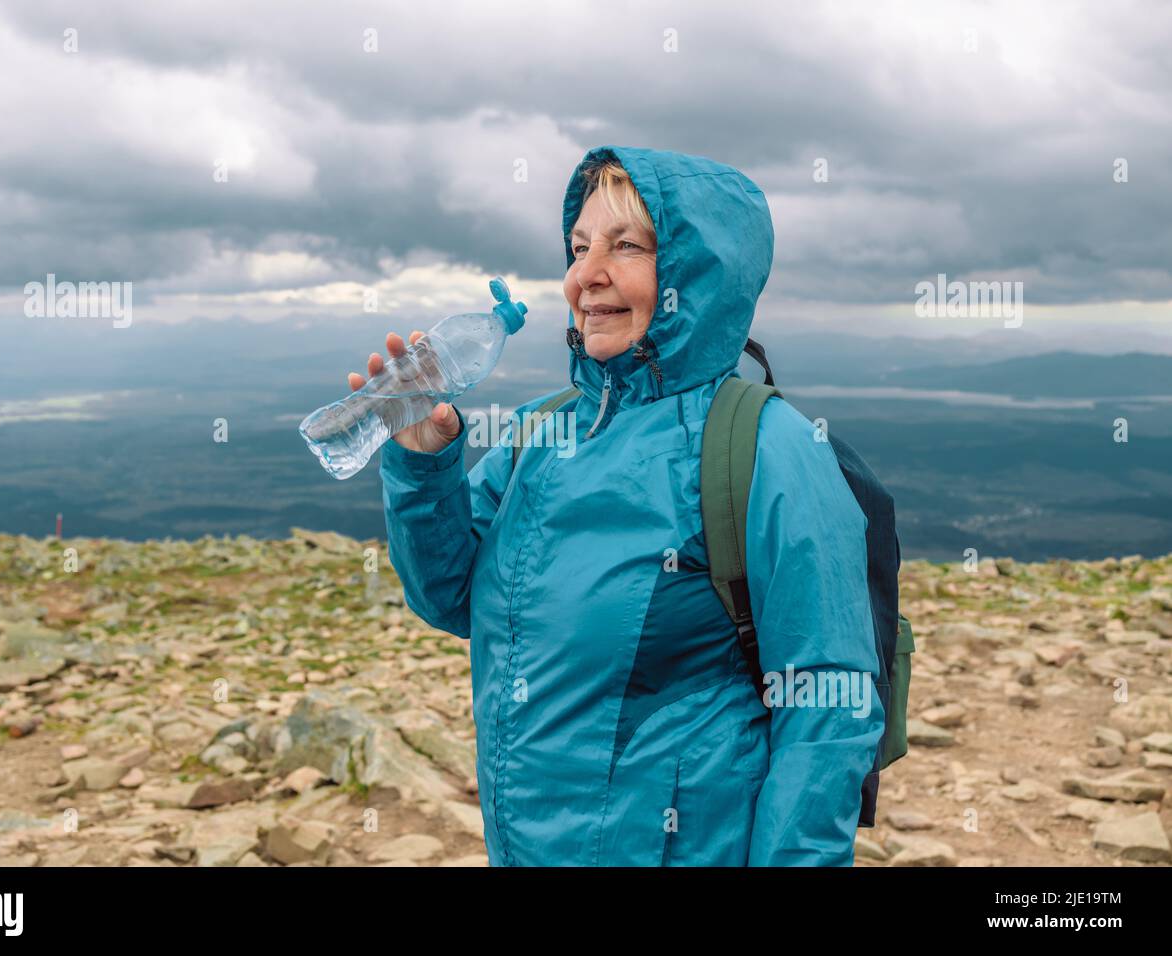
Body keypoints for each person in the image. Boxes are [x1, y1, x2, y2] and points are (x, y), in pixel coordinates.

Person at [359, 145, 884, 866]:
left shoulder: (766, 447)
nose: (585, 276)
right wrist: (423, 463)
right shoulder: (541, 433)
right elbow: (452, 595)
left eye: (625, 245)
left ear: (697, 274)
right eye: (577, 249)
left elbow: (828, 705)